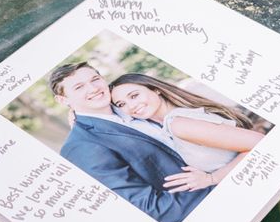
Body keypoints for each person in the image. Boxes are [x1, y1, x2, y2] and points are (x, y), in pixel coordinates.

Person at [50, 62, 211, 222]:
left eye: (95, 79)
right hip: (201, 210)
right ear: (62, 99)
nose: (93, 89)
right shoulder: (81, 146)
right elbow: (151, 209)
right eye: (79, 87)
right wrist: (216, 189)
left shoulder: (131, 103)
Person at [110, 73, 265, 192]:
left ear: (155, 89)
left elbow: (260, 143)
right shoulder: (170, 123)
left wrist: (212, 178)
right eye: (121, 104)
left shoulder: (179, 123)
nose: (131, 106)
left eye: (134, 95)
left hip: (256, 182)